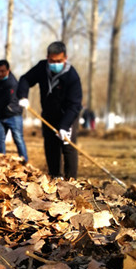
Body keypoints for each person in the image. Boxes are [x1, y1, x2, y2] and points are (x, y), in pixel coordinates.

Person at [17, 41, 82, 179]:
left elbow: (74, 105)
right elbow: (25, 79)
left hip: (67, 116)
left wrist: (64, 126)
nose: (55, 64)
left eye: (58, 61)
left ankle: (71, 181)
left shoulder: (72, 76)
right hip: (48, 115)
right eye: (52, 61)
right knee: (51, 146)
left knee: (67, 147)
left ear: (65, 58)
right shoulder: (42, 67)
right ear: (47, 57)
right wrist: (23, 95)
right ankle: (54, 177)